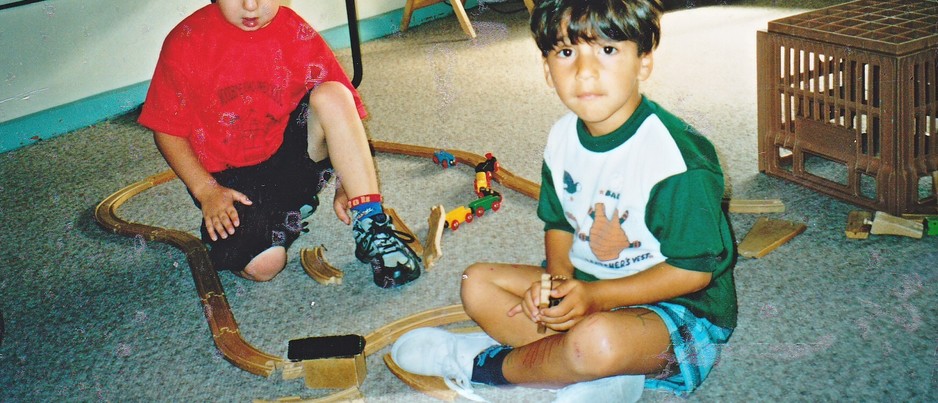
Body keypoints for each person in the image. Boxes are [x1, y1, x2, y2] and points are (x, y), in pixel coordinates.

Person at [391, 0, 737, 401]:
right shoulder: (562, 139)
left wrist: (595, 298)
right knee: (477, 283)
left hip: (678, 310)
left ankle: (486, 364)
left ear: (643, 62)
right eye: (566, 52)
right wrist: (557, 284)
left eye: (608, 50)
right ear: (546, 69)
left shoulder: (677, 161)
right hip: (590, 288)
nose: (584, 70)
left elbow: (693, 273)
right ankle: (594, 371)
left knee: (597, 341)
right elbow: (558, 223)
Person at [137, 0, 421, 288]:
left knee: (334, 94)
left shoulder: (293, 29)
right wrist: (206, 190)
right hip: (228, 183)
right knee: (266, 266)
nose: (251, 5)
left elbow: (341, 107)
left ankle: (370, 223)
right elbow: (166, 131)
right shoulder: (187, 41)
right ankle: (284, 213)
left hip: (287, 155)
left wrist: (347, 180)